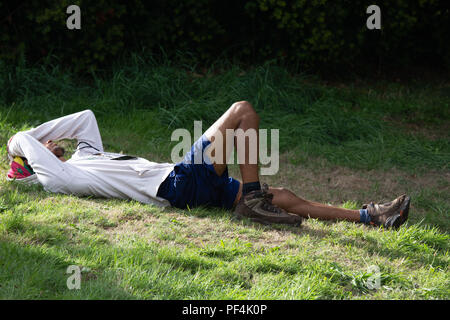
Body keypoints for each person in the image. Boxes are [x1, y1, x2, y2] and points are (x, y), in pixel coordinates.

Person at [6, 102, 410, 229]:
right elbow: (19, 139)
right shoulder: (61, 179)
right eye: (42, 150)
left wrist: (43, 140)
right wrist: (20, 149)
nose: (50, 145)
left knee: (284, 196)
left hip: (190, 188)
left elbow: (87, 118)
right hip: (176, 185)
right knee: (242, 112)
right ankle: (252, 198)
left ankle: (370, 217)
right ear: (35, 165)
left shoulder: (84, 156)